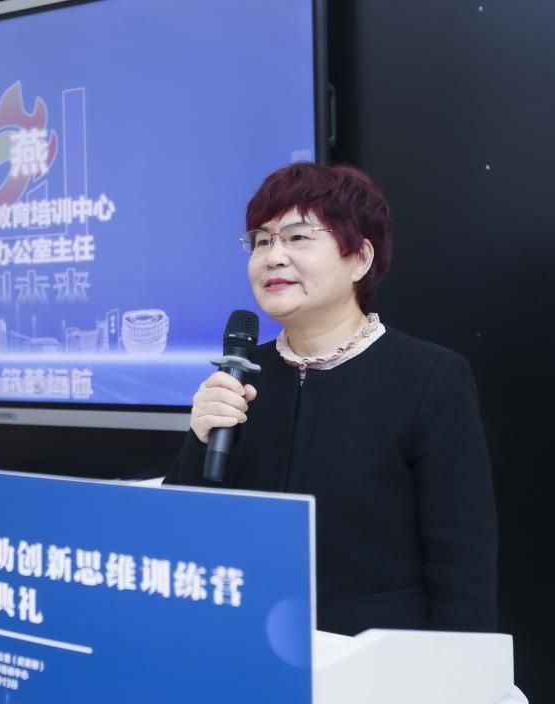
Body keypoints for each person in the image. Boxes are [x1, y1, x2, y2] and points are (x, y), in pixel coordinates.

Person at [163, 162, 497, 636]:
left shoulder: (430, 377)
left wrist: (460, 667)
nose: (273, 257)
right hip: (248, 644)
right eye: (262, 241)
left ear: (359, 257)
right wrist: (199, 442)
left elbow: (463, 563)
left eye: (298, 237)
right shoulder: (241, 376)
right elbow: (180, 535)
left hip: (376, 657)